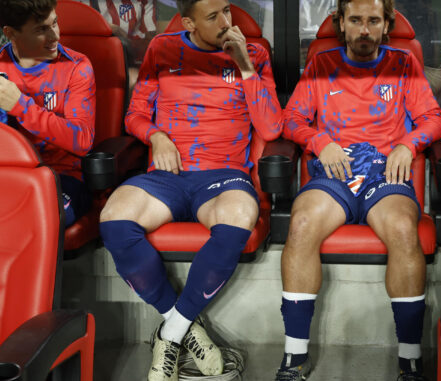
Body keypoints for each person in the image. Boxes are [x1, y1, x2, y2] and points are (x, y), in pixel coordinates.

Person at [98, 0, 282, 379]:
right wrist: (156, 135)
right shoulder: (162, 50)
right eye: (213, 17)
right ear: (188, 22)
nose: (226, 22)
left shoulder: (256, 54)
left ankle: (170, 334)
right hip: (167, 175)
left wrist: (245, 62)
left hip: (223, 175)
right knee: (114, 217)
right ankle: (183, 326)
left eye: (227, 11)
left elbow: (271, 128)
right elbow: (134, 114)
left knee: (239, 215)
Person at [276, 0, 441, 379]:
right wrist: (319, 140)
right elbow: (292, 121)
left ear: (386, 25)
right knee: (301, 224)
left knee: (404, 229)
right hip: (334, 171)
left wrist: (408, 143)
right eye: (355, 21)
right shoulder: (321, 64)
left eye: (373, 21)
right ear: (341, 24)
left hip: (384, 172)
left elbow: (433, 120)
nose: (364, 30)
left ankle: (410, 359)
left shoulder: (404, 64)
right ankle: (293, 358)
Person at [0, 0, 96, 227]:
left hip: (61, 177)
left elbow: (83, 140)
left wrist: (20, 106)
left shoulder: (77, 66)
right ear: (11, 33)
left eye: (55, 23)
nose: (55, 37)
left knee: (30, 222)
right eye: (41, 30)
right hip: (8, 176)